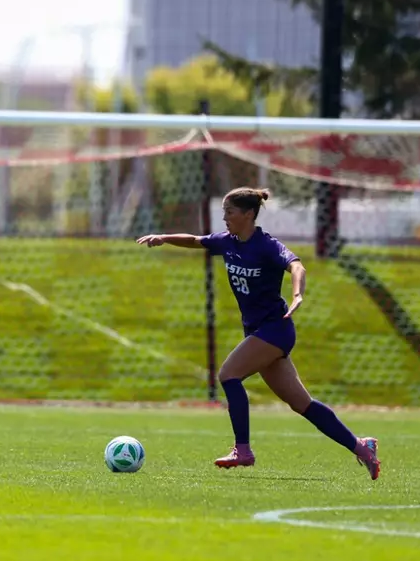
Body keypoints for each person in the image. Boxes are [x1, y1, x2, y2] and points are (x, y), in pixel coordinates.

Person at [136, 187, 381, 479]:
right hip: (258, 331)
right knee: (302, 404)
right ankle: (361, 446)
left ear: (249, 214)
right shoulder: (227, 242)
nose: (225, 217)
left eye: (230, 212)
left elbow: (296, 265)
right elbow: (196, 240)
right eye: (224, 211)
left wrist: (298, 294)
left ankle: (243, 449)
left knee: (228, 375)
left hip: (276, 329)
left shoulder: (266, 245)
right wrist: (164, 238)